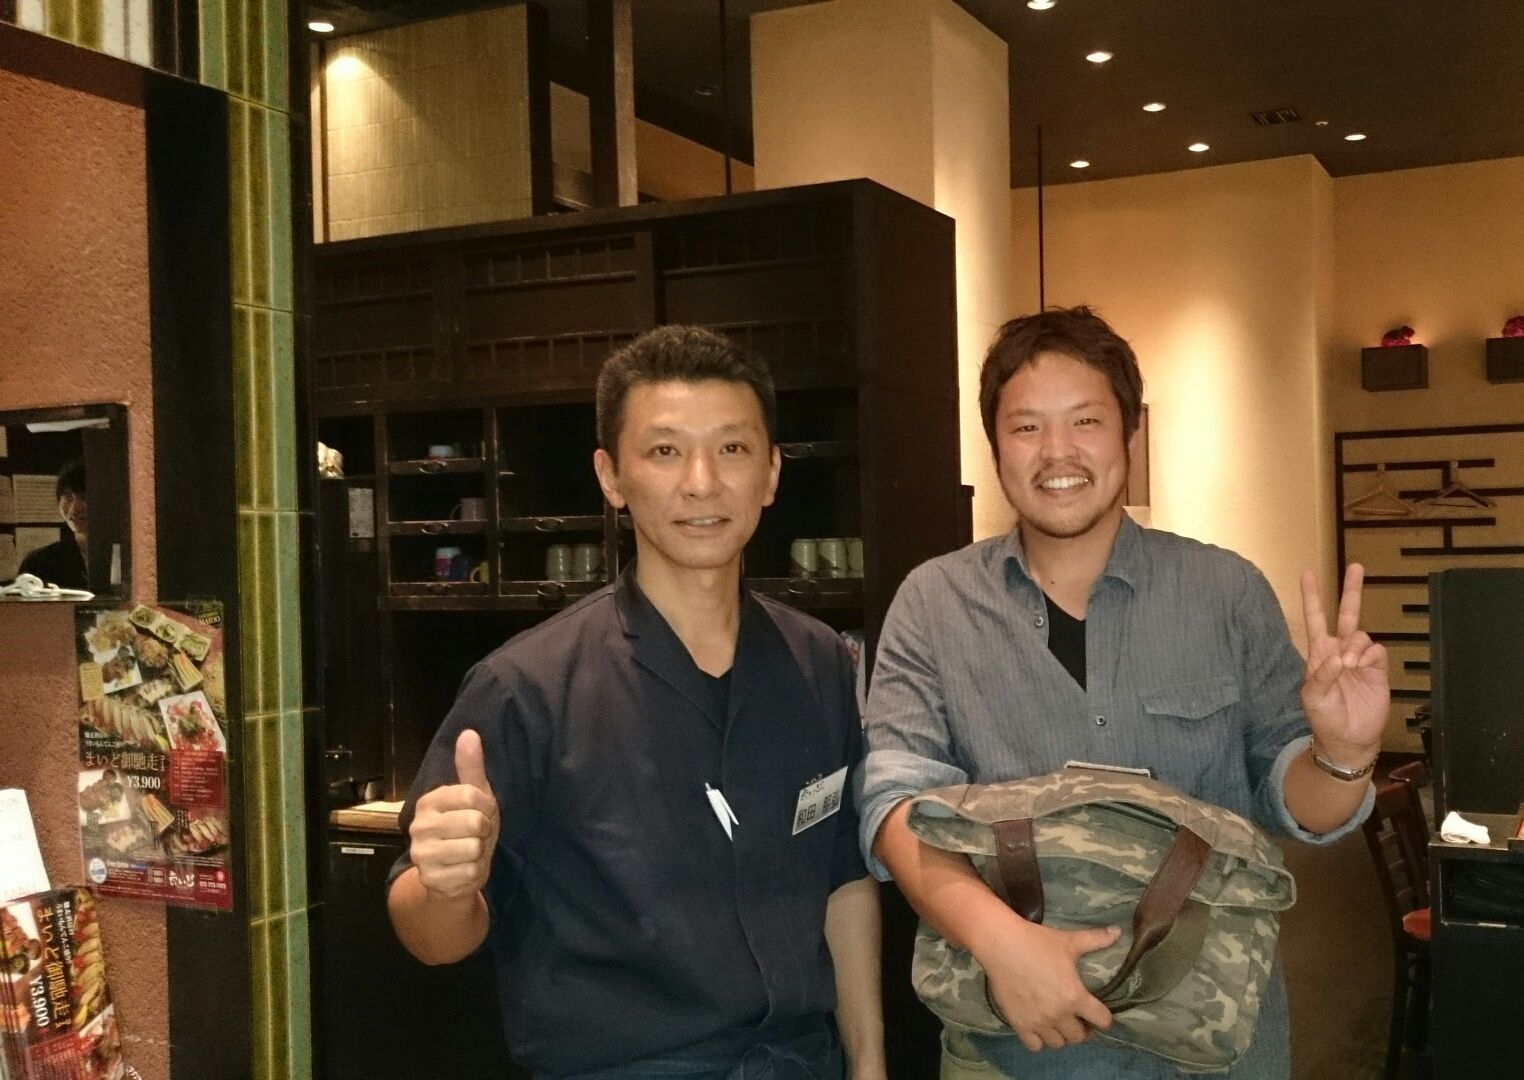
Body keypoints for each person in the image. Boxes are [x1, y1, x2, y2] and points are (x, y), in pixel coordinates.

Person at [856, 306, 1389, 1079]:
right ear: (995, 445)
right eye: (1026, 427)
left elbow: (1298, 805)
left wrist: (1344, 751)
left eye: (1086, 421)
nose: (1058, 452)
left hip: (1214, 1038)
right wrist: (1004, 944)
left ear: (1129, 433)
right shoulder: (935, 605)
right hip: (1016, 1044)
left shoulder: (1225, 591)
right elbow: (896, 805)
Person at [387, 326, 884, 1080]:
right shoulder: (526, 686)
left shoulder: (817, 661)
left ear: (771, 472)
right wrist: (445, 885)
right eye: (664, 451)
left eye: (732, 448)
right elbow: (430, 937)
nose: (701, 482)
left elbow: (842, 878)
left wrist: (869, 1063)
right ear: (611, 476)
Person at [17, 458, 89, 590]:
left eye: (84, 497)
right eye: (68, 498)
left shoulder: (126, 557)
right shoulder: (38, 563)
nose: (74, 509)